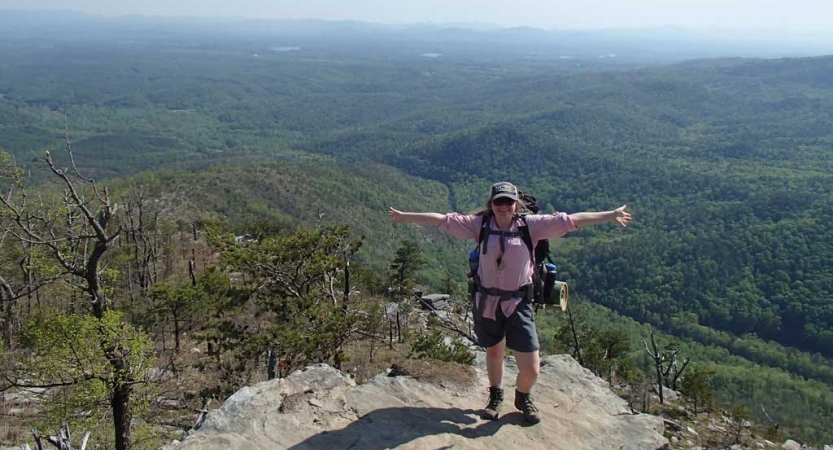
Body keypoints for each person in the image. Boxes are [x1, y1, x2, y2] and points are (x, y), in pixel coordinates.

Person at [387, 181, 632, 424]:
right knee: (494, 350)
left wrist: (611, 215)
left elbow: (572, 220)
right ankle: (495, 395)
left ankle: (522, 396)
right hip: (486, 300)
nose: (503, 206)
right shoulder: (479, 225)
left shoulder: (531, 226)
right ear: (491, 204)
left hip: (518, 301)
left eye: (508, 201)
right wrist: (405, 216)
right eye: (499, 201)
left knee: (531, 367)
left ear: (516, 205)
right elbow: (442, 220)